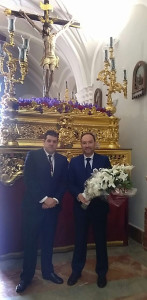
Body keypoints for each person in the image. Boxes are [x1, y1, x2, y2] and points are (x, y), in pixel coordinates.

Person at [16, 130, 68, 293]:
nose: (51, 143)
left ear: (57, 143)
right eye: (49, 141)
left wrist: (55, 200)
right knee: (30, 243)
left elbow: (63, 183)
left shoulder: (61, 160)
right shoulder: (33, 156)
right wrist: (45, 199)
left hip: (52, 209)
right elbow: (29, 180)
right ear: (44, 142)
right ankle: (26, 277)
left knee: (48, 242)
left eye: (54, 141)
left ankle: (48, 272)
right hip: (33, 208)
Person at [67, 132, 111, 288]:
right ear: (81, 144)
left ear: (94, 143)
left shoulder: (103, 160)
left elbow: (109, 183)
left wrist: (98, 192)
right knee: (80, 241)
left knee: (100, 241)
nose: (87, 145)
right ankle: (76, 271)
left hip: (99, 208)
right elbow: (70, 183)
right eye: (84, 142)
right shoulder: (74, 161)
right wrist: (78, 195)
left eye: (90, 142)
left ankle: (101, 273)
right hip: (81, 208)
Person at [19, 10, 73, 97]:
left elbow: (63, 29)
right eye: (45, 28)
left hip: (53, 57)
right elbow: (33, 25)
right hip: (47, 57)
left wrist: (70, 22)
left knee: (52, 72)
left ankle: (48, 89)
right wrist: (25, 15)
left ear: (50, 29)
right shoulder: (44, 36)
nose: (46, 29)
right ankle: (45, 89)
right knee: (47, 70)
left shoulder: (54, 36)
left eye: (47, 28)